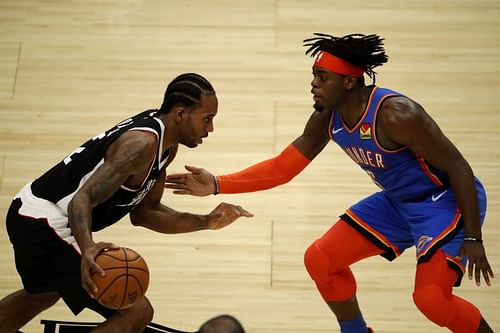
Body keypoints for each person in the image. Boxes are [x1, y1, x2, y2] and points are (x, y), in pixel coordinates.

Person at [164, 34, 495, 332]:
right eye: (314, 76)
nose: (313, 84)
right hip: (398, 202)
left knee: (431, 301)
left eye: (322, 78)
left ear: (349, 83)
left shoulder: (397, 114)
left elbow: (460, 168)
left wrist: (472, 236)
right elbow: (283, 168)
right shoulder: (327, 117)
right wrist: (217, 184)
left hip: (445, 202)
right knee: (320, 259)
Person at [0, 73, 253, 333]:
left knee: (42, 293)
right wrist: (88, 248)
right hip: (42, 220)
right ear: (180, 115)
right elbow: (81, 200)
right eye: (207, 119)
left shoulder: (165, 145)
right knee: (136, 313)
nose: (210, 129)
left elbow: (145, 213)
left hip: (30, 212)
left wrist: (206, 221)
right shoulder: (141, 145)